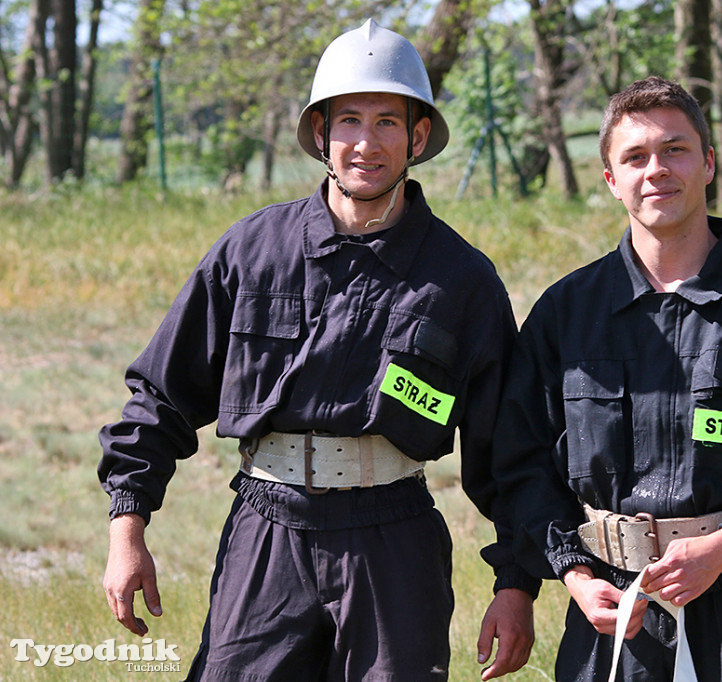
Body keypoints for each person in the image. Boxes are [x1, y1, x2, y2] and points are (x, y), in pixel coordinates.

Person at [98, 19, 538, 681]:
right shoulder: (252, 251)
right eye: (350, 121)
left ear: (418, 137)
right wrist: (126, 527)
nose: (367, 142)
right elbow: (160, 394)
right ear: (321, 136)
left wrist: (516, 585)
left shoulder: (462, 281)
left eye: (389, 121)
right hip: (266, 528)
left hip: (393, 538)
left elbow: (509, 451)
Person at [490, 76, 722, 681]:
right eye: (635, 157)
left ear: (709, 163)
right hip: (609, 623)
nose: (656, 170)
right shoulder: (566, 313)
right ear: (611, 181)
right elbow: (520, 466)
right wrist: (574, 574)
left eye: (675, 149)